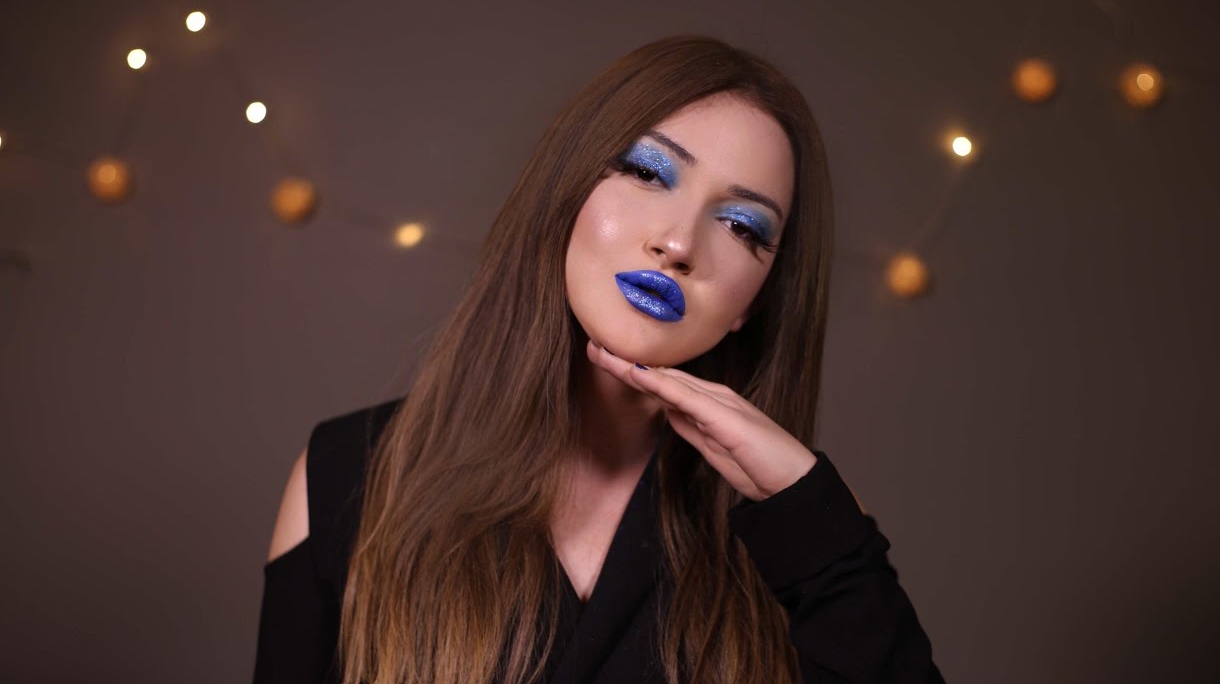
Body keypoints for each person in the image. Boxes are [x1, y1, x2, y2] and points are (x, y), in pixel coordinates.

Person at [253, 34, 945, 684]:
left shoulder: (812, 527)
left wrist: (809, 510)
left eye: (741, 226)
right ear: (566, 195)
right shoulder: (347, 475)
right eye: (648, 171)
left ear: (754, 302)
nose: (679, 243)